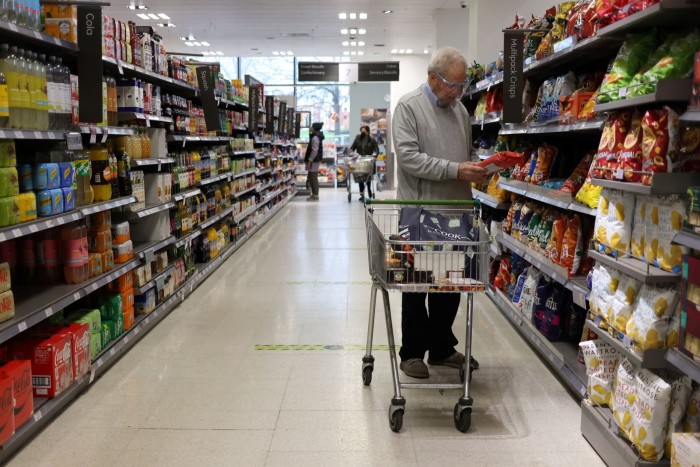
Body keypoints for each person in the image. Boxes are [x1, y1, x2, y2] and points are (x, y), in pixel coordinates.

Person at [392, 46, 488, 379]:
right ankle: (412, 353)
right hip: (420, 214)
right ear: (433, 77)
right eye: (452, 84)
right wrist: (456, 171)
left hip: (455, 213)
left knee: (450, 286)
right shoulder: (408, 108)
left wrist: (481, 166)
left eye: (461, 86)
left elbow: (467, 152)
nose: (457, 91)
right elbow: (409, 159)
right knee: (418, 285)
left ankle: (442, 348)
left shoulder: (460, 111)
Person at [350, 125, 379, 201]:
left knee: (368, 178)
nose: (362, 133)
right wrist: (351, 152)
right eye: (361, 131)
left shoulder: (372, 139)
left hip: (369, 161)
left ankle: (369, 190)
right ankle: (362, 195)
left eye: (364, 131)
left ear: (367, 132)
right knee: (360, 179)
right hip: (360, 161)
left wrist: (375, 153)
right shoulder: (357, 138)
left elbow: (376, 149)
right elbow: (352, 147)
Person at [304, 122, 324, 201]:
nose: (310, 127)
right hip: (315, 160)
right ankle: (314, 194)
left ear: (314, 128)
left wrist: (310, 160)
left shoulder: (315, 137)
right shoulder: (317, 136)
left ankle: (315, 195)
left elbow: (314, 150)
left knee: (313, 177)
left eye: (312, 126)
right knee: (311, 177)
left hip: (314, 160)